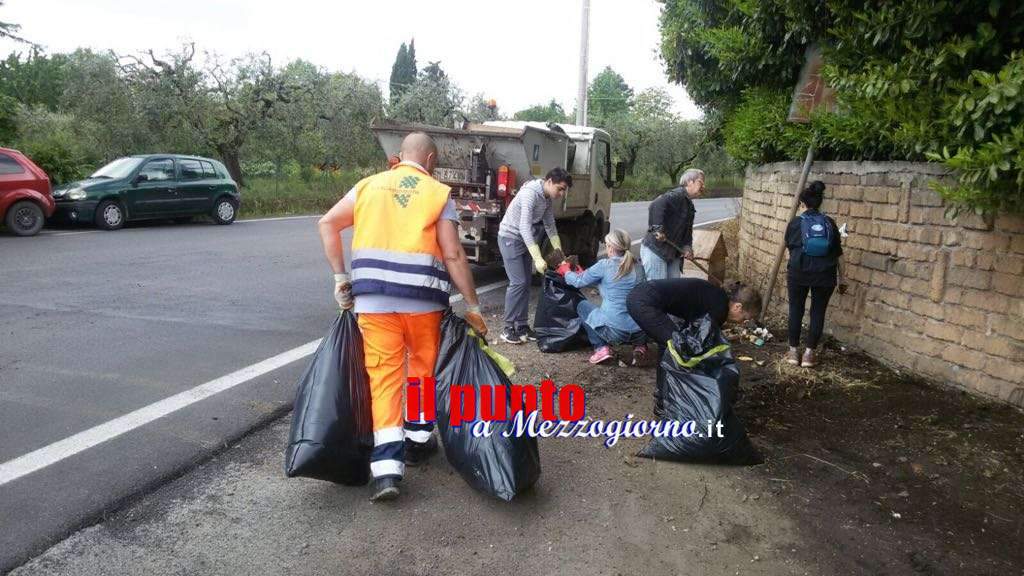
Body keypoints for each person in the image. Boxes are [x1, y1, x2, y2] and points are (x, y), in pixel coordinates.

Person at [317, 132, 487, 502]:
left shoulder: (367, 187)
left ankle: (386, 471)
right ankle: (418, 439)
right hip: (423, 301)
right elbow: (454, 254)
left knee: (384, 378)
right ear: (429, 162)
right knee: (421, 371)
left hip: (373, 301)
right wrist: (473, 307)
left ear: (398, 157)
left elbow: (327, 223)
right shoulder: (438, 194)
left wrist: (340, 278)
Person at [497, 167, 572, 344]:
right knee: (518, 282)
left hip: (524, 239)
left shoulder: (546, 199)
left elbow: (550, 226)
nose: (561, 193)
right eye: (560, 188)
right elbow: (523, 226)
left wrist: (559, 254)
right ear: (549, 182)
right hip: (510, 237)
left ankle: (522, 325)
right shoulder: (530, 193)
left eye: (564, 190)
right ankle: (508, 328)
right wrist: (538, 257)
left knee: (526, 283)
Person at [557, 229, 648, 365]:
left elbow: (577, 282)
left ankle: (601, 348)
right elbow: (612, 283)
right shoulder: (639, 267)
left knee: (583, 306)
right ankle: (640, 347)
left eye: (606, 244)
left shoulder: (604, 265)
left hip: (616, 332)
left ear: (610, 247)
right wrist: (585, 274)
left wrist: (566, 271)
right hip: (640, 330)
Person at [626, 278, 761, 365]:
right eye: (745, 317)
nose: (743, 321)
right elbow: (701, 343)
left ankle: (665, 394)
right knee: (675, 348)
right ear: (738, 307)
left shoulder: (718, 297)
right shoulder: (719, 310)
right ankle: (664, 399)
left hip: (642, 293)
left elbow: (693, 329)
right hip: (644, 302)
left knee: (670, 344)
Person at [784, 180, 844, 368]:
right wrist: (843, 278)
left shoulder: (795, 223)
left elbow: (790, 248)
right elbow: (839, 254)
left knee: (796, 309)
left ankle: (793, 352)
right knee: (818, 312)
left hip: (798, 272)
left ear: (802, 204)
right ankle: (809, 354)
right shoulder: (829, 223)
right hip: (825, 274)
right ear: (820, 203)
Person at [640, 168, 704, 281]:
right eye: (701, 182)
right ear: (690, 182)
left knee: (673, 290)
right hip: (656, 251)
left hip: (673, 254)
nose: (704, 186)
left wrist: (687, 248)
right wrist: (657, 229)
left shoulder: (690, 206)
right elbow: (656, 204)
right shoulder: (677, 195)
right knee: (659, 291)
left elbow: (687, 233)